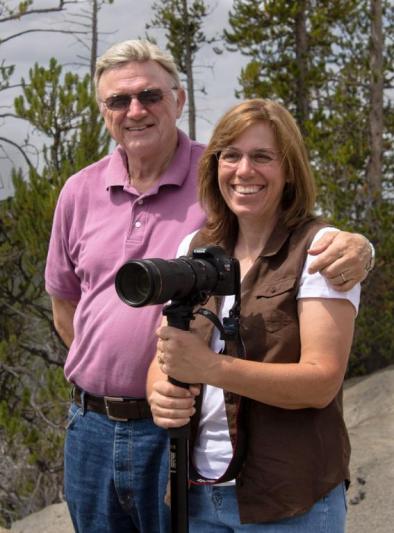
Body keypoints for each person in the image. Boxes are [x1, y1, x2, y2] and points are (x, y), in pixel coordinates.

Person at [44, 38, 372, 533]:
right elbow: (65, 302)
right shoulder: (81, 190)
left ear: (179, 99)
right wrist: (149, 381)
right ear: (103, 110)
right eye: (118, 100)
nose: (135, 110)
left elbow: (299, 231)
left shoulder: (215, 182)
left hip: (180, 437)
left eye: (150, 95)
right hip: (92, 425)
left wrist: (362, 247)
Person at [148, 98, 362, 532]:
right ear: (215, 166)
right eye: (231, 155)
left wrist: (211, 367)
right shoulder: (195, 247)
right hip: (199, 492)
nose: (244, 171)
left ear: (289, 171)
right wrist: (159, 392)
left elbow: (321, 381)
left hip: (289, 499)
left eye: (262, 156)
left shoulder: (321, 248)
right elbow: (167, 350)